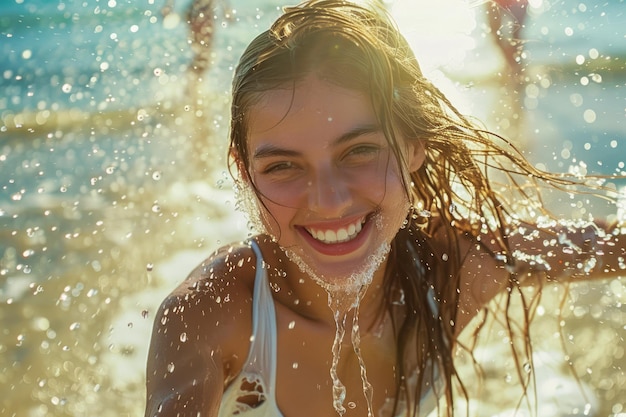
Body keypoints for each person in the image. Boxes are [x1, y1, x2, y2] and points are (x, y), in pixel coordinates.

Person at [144, 1, 625, 416]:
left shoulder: (457, 266)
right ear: (242, 170)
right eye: (284, 167)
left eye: (359, 152)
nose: (329, 200)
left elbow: (615, 240)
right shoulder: (216, 316)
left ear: (413, 144)